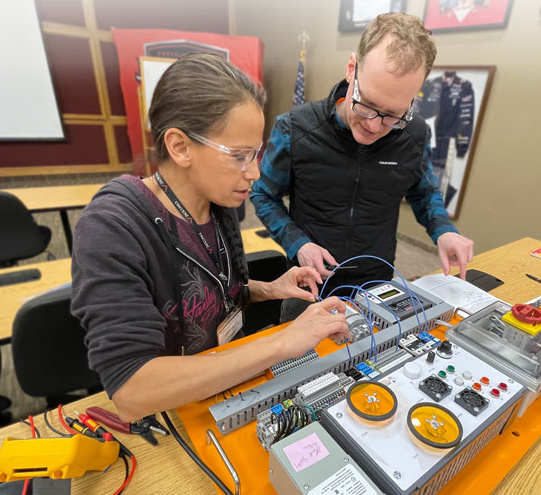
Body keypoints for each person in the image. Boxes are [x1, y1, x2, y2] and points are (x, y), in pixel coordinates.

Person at [71, 54, 350, 422]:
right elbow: (132, 391)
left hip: (222, 387)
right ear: (180, 147)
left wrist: (267, 289)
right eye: (239, 156)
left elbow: (209, 295)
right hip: (170, 409)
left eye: (256, 154)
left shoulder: (217, 202)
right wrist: (283, 342)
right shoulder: (112, 227)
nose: (254, 173)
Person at [250, 13, 475, 321]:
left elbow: (423, 192)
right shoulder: (295, 128)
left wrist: (443, 231)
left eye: (393, 115)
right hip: (310, 282)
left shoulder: (416, 134)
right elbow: (263, 194)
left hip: (378, 283)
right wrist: (298, 243)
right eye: (366, 103)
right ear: (351, 68)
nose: (373, 125)